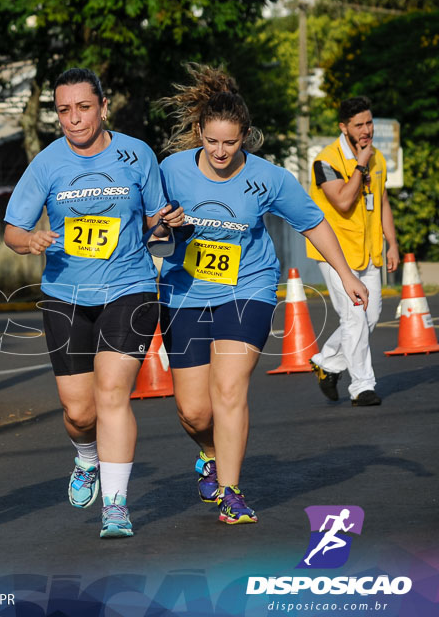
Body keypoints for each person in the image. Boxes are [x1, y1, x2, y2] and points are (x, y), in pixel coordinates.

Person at [156, 65, 368, 525]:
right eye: (211, 141)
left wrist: (347, 274)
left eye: (230, 142)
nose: (219, 151)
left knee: (229, 390)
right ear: (199, 133)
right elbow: (146, 224)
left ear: (245, 137)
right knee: (193, 412)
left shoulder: (268, 178)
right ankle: (210, 455)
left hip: (246, 288)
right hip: (184, 292)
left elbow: (312, 222)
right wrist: (162, 224)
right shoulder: (170, 170)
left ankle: (231, 491)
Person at [4, 68, 181, 539]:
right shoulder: (46, 164)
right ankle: (86, 457)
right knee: (80, 411)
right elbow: (12, 231)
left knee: (112, 394)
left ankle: (117, 506)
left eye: (83, 108)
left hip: (130, 287)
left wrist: (166, 228)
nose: (74, 119)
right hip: (66, 294)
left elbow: (156, 223)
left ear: (103, 107)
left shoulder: (136, 153)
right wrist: (30, 241)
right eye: (64, 110)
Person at [306, 96, 397, 407]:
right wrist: (360, 163)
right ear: (343, 127)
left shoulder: (378, 159)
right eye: (359, 124)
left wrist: (392, 243)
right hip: (335, 254)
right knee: (355, 317)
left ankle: (328, 362)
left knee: (370, 316)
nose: (366, 130)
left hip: (369, 252)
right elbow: (343, 201)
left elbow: (382, 202)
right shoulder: (326, 161)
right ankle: (362, 386)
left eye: (369, 122)